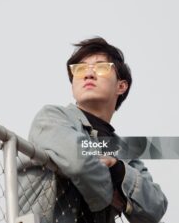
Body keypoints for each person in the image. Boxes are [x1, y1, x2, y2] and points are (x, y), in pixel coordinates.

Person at [18, 37, 168, 223]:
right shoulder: (51, 118)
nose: (88, 74)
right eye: (80, 69)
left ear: (121, 86)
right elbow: (77, 159)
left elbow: (156, 206)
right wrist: (113, 196)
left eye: (101, 67)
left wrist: (118, 168)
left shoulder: (121, 150)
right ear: (73, 86)